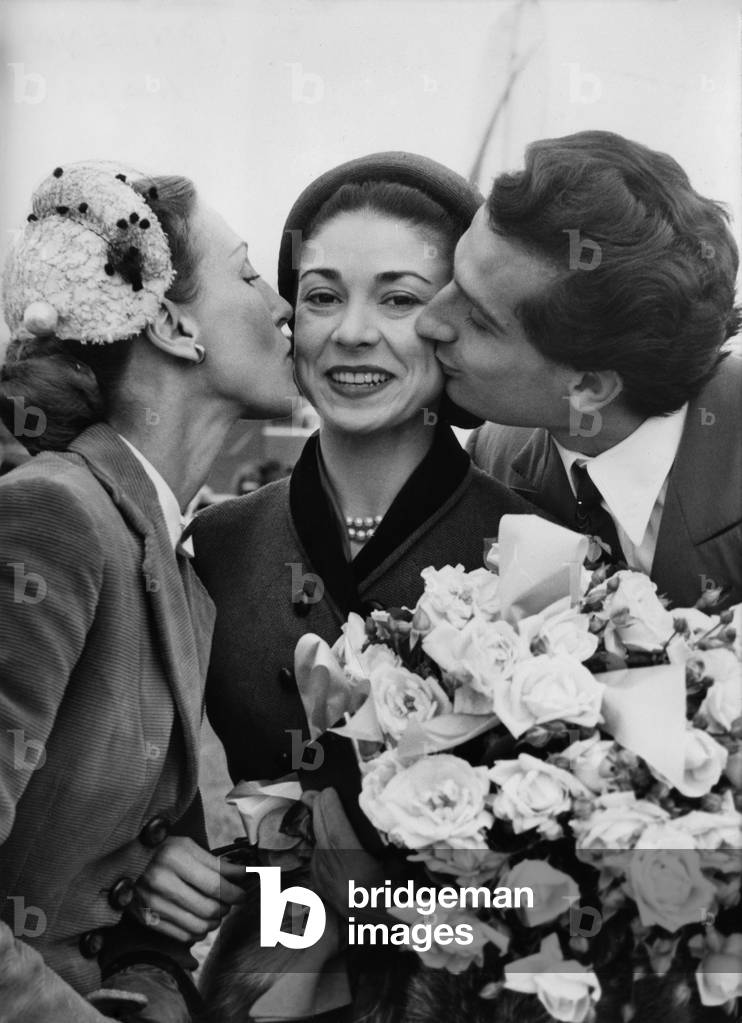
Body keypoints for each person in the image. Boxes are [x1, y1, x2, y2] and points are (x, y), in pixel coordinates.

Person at [133, 151, 538, 1021]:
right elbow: (135, 791)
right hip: (259, 982)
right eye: (322, 296)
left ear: (455, 322)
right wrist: (156, 859)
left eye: (398, 299)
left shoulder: (535, 551)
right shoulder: (214, 545)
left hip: (477, 988)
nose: (352, 333)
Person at [0, 161, 295, 1022]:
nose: (282, 306)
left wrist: (140, 874)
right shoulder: (54, 514)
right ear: (171, 323)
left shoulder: (169, 552)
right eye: (249, 274)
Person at [416, 130, 742, 609]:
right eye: (451, 278)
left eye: (479, 319)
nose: (428, 321)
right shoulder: (492, 457)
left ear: (589, 385)